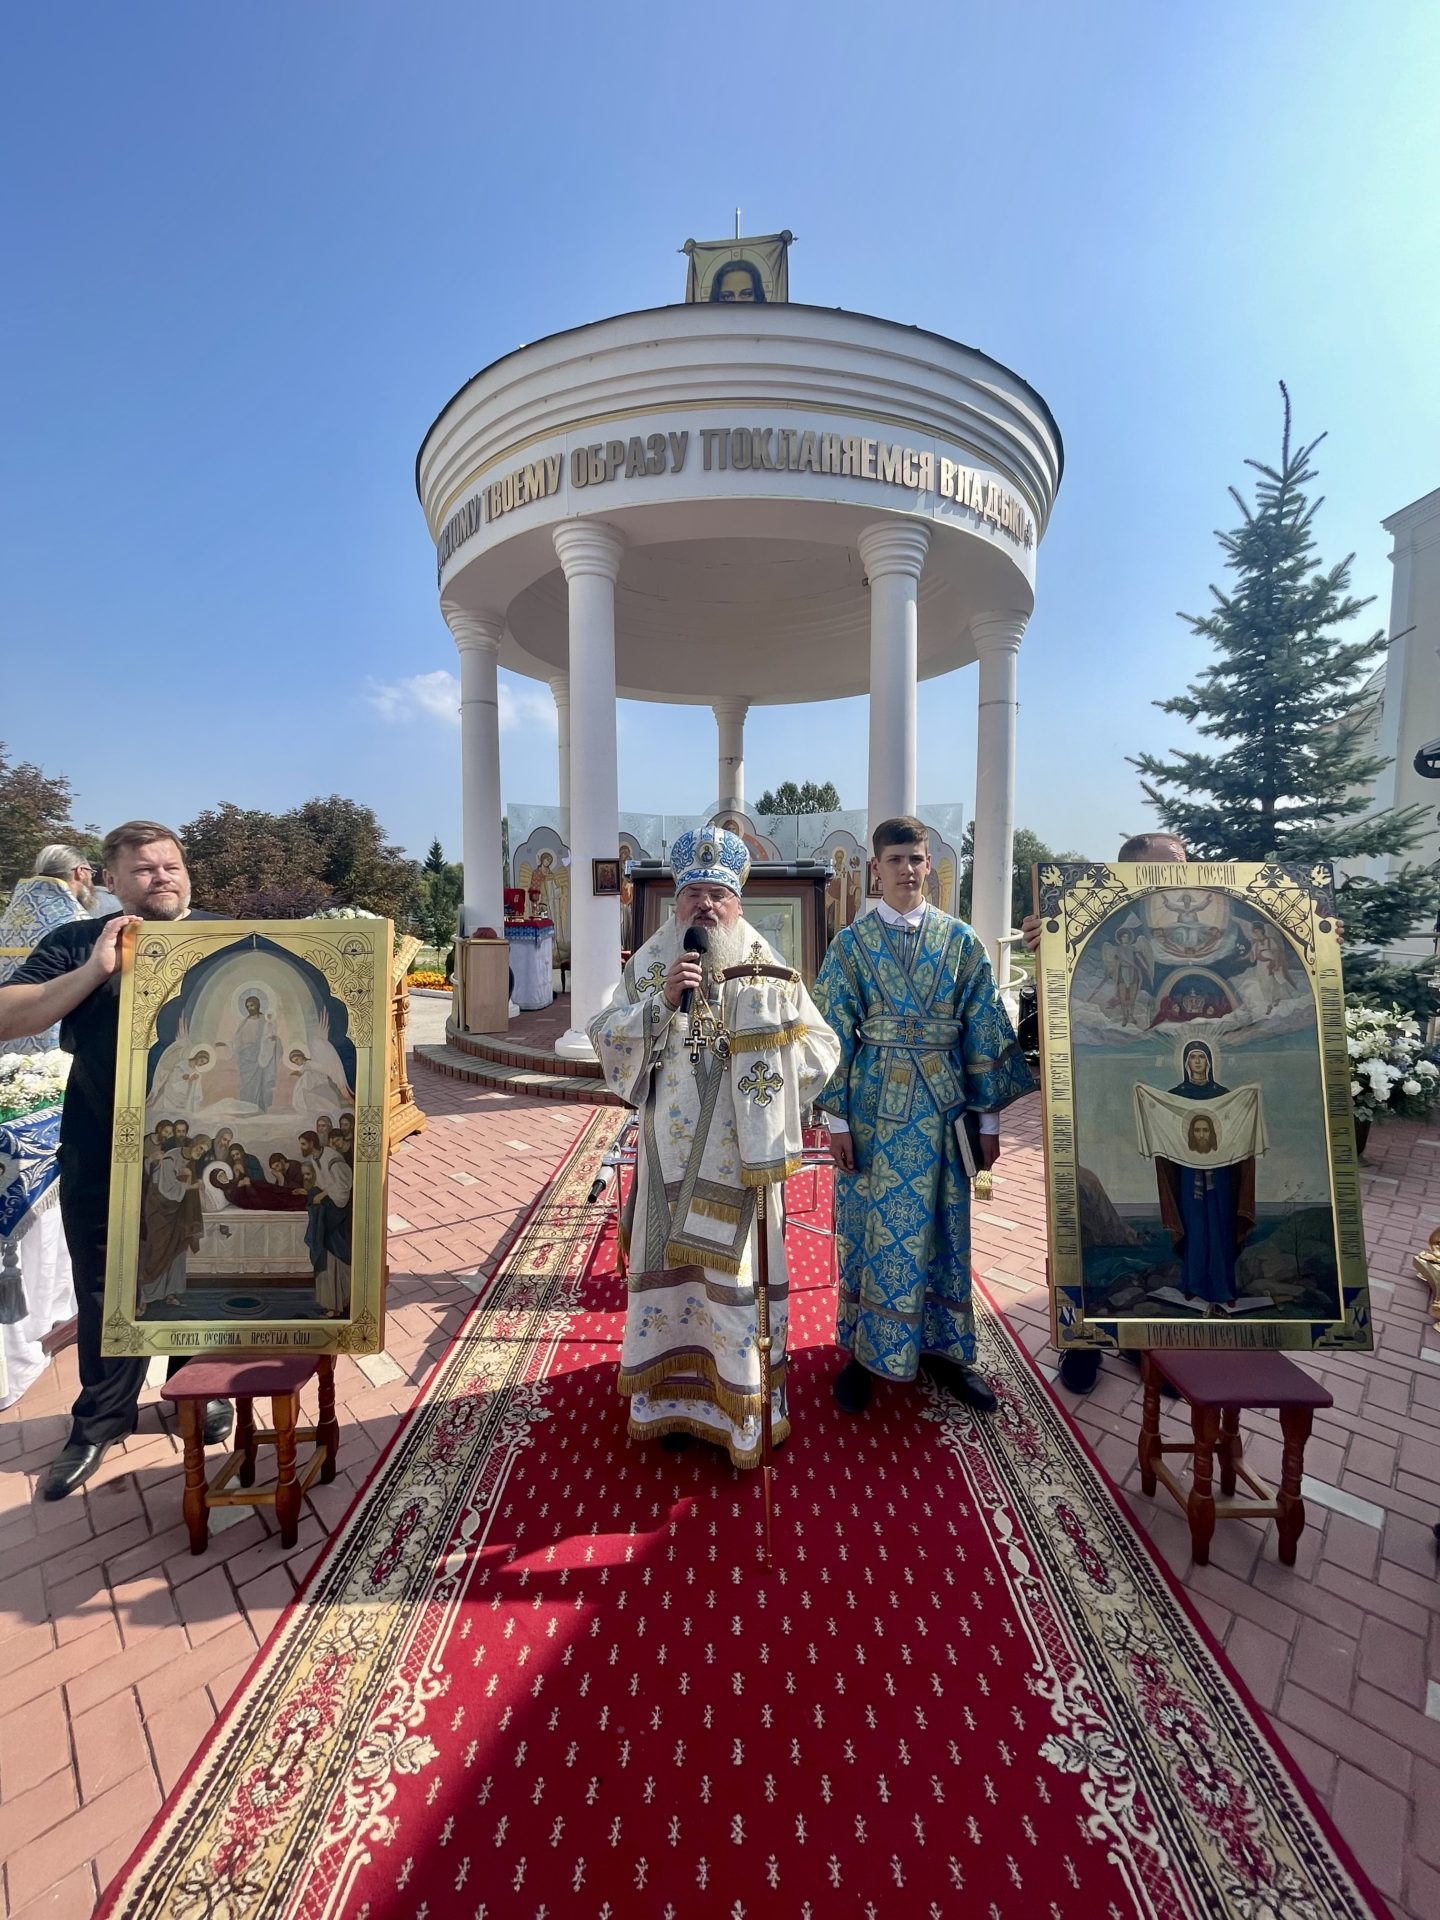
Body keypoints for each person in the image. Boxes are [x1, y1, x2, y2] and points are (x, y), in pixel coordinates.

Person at [588, 826, 841, 1464]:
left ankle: (742, 1406)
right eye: (693, 893)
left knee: (736, 1282)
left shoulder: (769, 968)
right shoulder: (651, 964)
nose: (705, 904)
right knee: (673, 1277)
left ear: (737, 901)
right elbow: (606, 1036)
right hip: (667, 1162)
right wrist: (660, 1005)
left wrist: (772, 1055)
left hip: (743, 1165)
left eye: (717, 894)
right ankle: (669, 1399)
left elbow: (823, 1046)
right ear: (676, 900)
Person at [0, 821, 233, 1497]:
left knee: (197, 1269)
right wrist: (95, 969)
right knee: (104, 1281)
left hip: (200, 1152)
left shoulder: (226, 937)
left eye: (171, 866)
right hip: (100, 1144)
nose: (162, 878)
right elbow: (10, 1016)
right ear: (110, 881)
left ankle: (196, 1390)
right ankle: (101, 1418)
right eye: (144, 870)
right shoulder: (78, 941)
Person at [812, 817, 1035, 1416]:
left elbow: (984, 1028)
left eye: (916, 859)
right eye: (895, 860)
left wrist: (989, 1123)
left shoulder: (960, 941)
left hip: (944, 1110)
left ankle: (946, 1351)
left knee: (945, 1227)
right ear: (875, 868)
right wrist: (836, 1123)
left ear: (929, 864)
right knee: (868, 1226)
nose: (907, 870)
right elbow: (831, 1035)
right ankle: (862, 1352)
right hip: (872, 1114)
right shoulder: (850, 946)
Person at [0, 845, 98, 1053]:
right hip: (51, 1028)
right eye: (91, 873)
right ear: (80, 872)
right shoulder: (77, 925)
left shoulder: (10, 916)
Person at [234, 992, 280, 1109]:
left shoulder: (266, 1020)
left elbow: (272, 1037)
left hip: (261, 1056)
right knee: (246, 1084)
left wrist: (275, 1040)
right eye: (248, 1006)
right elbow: (237, 1040)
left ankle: (260, 1107)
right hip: (246, 1058)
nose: (250, 1008)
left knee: (261, 1082)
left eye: (252, 1005)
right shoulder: (244, 1022)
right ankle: (247, 1108)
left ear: (258, 1005)